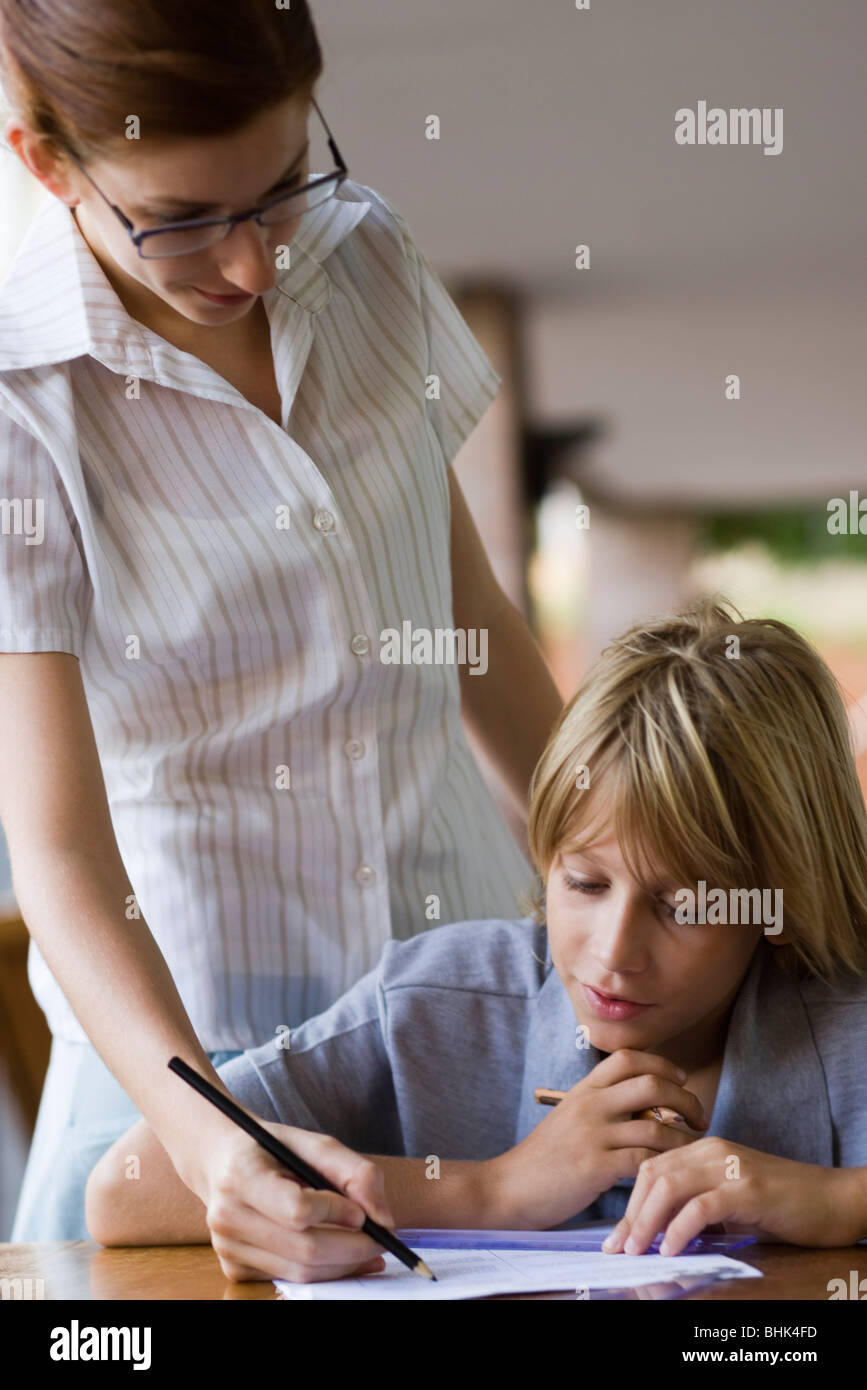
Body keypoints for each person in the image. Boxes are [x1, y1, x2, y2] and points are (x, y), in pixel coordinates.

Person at [0, 0, 562, 1244]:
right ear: (46, 161)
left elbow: (466, 619)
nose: (253, 265)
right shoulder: (16, 397)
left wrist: (642, 871)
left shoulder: (365, 258)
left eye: (280, 187)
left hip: (465, 1009)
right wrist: (214, 1142)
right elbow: (60, 851)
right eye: (182, 219)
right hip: (197, 1074)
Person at [86, 598, 867, 1282]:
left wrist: (836, 1202)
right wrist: (495, 1192)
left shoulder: (846, 1025)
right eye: (584, 885)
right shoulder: (439, 1001)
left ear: (782, 904)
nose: (612, 952)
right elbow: (127, 1188)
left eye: (683, 907)